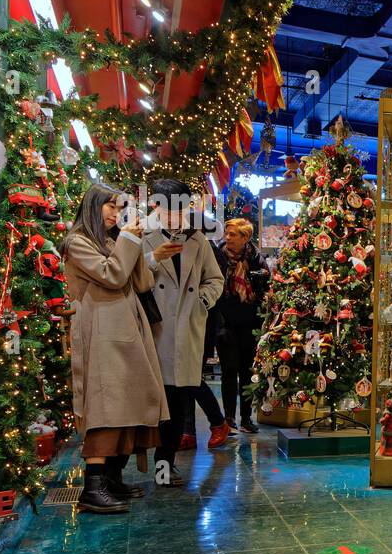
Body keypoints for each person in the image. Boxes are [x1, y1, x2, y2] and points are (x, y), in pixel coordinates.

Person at [62, 184, 173, 513]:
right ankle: (92, 488)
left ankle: (110, 479)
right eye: (109, 206)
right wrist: (128, 240)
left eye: (119, 207)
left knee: (126, 404)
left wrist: (134, 242)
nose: (115, 213)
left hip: (124, 332)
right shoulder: (77, 242)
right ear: (93, 207)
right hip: (101, 334)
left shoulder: (110, 241)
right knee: (105, 406)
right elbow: (112, 276)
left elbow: (140, 282)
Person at [142, 178, 224, 486]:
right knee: (155, 404)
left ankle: (166, 467)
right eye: (172, 209)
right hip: (154, 328)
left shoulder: (196, 239)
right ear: (157, 207)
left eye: (183, 208)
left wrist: (201, 301)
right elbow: (128, 275)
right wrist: (154, 259)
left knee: (177, 403)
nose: (178, 216)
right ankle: (137, 467)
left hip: (187, 327)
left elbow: (215, 279)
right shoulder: (141, 236)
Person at [211, 217, 269, 433]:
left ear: (245, 237)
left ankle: (246, 418)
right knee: (228, 370)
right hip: (225, 322)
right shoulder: (218, 257)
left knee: (246, 370)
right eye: (226, 233)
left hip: (250, 321)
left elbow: (264, 290)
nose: (227, 238)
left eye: (233, 234)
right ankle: (228, 419)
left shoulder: (256, 259)